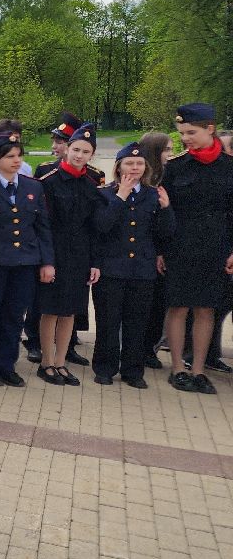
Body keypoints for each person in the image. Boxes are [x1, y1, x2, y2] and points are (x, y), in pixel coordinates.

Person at [0, 133, 54, 387]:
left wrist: (47, 262)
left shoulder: (33, 186)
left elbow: (42, 228)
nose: (16, 161)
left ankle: (7, 364)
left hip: (24, 263)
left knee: (14, 316)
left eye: (19, 155)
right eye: (9, 157)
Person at [161, 103, 233, 394]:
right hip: (180, 247)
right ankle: (178, 367)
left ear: (210, 129)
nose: (185, 138)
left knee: (206, 308)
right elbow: (164, 213)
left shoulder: (229, 168)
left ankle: (200, 370)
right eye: (181, 133)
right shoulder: (176, 167)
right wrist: (161, 250)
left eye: (191, 132)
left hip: (216, 247)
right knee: (178, 306)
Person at [92, 142, 174, 388]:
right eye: (129, 163)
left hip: (142, 269)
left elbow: (165, 232)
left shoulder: (153, 194)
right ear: (119, 167)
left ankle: (133, 371)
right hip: (112, 268)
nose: (135, 167)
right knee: (108, 322)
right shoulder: (105, 193)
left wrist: (167, 208)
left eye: (139, 163)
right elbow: (101, 227)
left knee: (137, 323)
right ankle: (105, 368)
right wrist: (120, 198)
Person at [34, 122, 103, 385]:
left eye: (85, 152)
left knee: (70, 312)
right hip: (55, 255)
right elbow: (43, 225)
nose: (79, 155)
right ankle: (46, 362)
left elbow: (93, 227)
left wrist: (94, 262)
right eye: (75, 149)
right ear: (67, 150)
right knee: (50, 310)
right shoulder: (48, 181)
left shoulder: (91, 182)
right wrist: (46, 261)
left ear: (92, 155)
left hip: (80, 257)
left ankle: (61, 362)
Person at [138, 130, 175, 369]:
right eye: (167, 150)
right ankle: (137, 348)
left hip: (161, 249)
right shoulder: (144, 179)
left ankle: (149, 347)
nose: (170, 154)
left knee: (158, 303)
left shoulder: (168, 176)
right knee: (144, 304)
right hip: (143, 250)